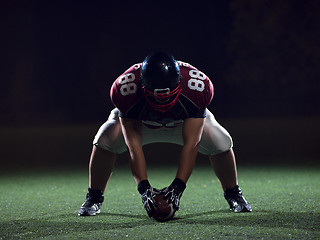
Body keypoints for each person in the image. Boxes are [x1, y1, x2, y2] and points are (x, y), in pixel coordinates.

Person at [78, 51, 252, 217]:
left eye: (166, 95)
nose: (162, 100)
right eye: (156, 95)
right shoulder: (126, 90)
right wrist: (144, 188)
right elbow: (133, 146)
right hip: (142, 122)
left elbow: (192, 143)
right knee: (105, 138)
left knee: (220, 141)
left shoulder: (195, 88)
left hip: (182, 121)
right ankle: (94, 198)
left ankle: (233, 194)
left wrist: (178, 187)